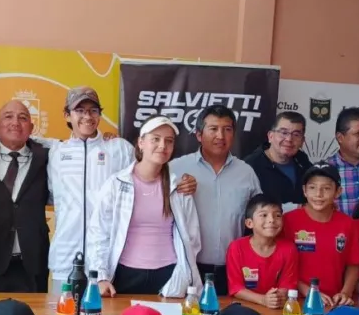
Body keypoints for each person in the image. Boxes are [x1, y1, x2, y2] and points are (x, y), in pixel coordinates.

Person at [48, 87, 196, 291]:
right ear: (67, 115)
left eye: (93, 110)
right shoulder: (54, 152)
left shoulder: (118, 148)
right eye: (80, 110)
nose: (87, 116)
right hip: (65, 257)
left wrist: (184, 181)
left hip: (110, 262)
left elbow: (151, 168)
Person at [88, 115, 201, 297]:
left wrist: (181, 275)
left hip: (169, 276)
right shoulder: (116, 183)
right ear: (141, 143)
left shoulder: (178, 186)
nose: (162, 146)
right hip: (124, 275)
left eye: (169, 141)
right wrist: (101, 277)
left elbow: (192, 237)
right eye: (155, 139)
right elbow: (98, 233)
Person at [170, 104, 261, 296]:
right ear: (199, 135)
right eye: (213, 129)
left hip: (233, 271)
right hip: (187, 268)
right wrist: (174, 190)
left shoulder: (246, 173)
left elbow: (261, 217)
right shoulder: (176, 169)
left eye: (227, 129)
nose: (220, 136)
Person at [0, 101, 50, 292]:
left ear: (32, 127)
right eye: (8, 116)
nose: (15, 122)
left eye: (23, 118)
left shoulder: (46, 157)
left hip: (33, 261)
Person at [283, 162, 359, 307]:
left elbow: (354, 264)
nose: (318, 194)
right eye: (312, 188)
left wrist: (345, 293)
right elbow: (281, 264)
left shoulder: (348, 224)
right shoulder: (288, 220)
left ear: (338, 192)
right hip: (296, 300)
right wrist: (307, 290)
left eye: (326, 188)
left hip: (334, 302)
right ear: (304, 190)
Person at [225, 194, 298, 309]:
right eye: (264, 215)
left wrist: (277, 297)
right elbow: (236, 288)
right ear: (249, 223)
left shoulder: (288, 249)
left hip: (276, 308)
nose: (271, 220)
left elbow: (287, 285)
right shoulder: (236, 247)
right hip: (244, 308)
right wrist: (263, 300)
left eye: (277, 215)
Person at [243, 111, 313, 213]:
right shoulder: (250, 166)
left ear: (302, 141)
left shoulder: (303, 161)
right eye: (284, 133)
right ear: (270, 136)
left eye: (296, 134)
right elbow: (246, 208)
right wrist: (297, 207)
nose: (289, 139)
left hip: (300, 228)